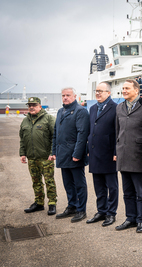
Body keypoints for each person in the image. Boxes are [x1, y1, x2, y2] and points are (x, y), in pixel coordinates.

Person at [115, 79, 142, 232]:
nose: (124, 90)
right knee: (127, 191)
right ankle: (130, 218)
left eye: (127, 88)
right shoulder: (119, 107)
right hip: (123, 155)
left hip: (138, 156)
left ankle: (141, 220)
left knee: (141, 192)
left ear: (136, 90)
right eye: (123, 88)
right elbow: (117, 131)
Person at [50, 88, 90, 222]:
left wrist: (77, 153)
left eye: (68, 95)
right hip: (62, 154)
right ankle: (72, 206)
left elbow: (82, 134)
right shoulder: (61, 111)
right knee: (67, 183)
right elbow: (56, 133)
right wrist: (54, 152)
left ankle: (81, 210)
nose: (65, 98)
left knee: (79, 183)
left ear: (75, 96)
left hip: (74, 154)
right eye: (63, 95)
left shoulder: (80, 111)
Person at [87, 82, 119, 227]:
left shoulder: (115, 108)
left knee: (111, 187)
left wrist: (116, 152)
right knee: (98, 186)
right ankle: (101, 211)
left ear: (108, 93)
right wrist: (88, 149)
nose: (98, 93)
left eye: (101, 91)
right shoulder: (93, 108)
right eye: (97, 91)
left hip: (109, 153)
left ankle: (111, 213)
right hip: (95, 153)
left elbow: (118, 132)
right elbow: (90, 130)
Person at [20, 97, 57, 215]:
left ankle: (52, 203)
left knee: (49, 181)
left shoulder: (49, 119)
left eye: (34, 105)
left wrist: (52, 153)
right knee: (36, 182)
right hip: (32, 158)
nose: (31, 107)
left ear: (40, 106)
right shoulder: (25, 121)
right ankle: (39, 203)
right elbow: (22, 139)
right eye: (29, 105)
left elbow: (54, 137)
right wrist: (22, 153)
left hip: (45, 158)